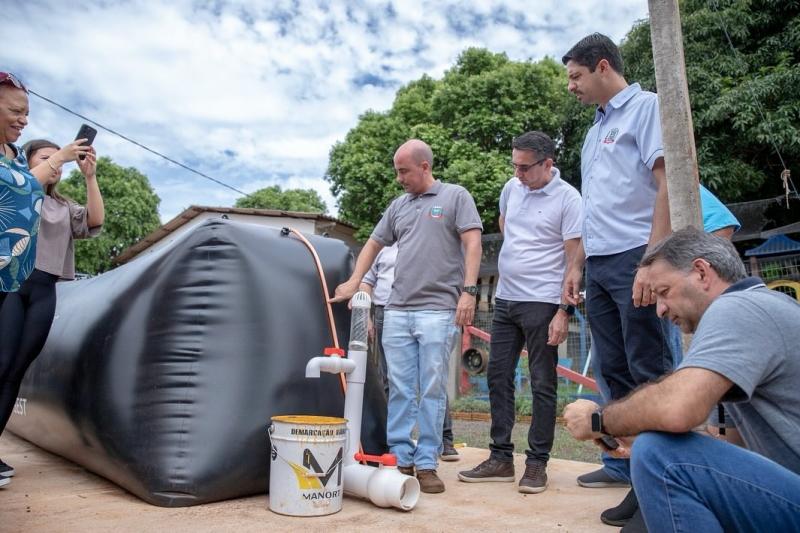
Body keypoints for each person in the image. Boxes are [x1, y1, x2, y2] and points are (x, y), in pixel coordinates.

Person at [563, 227, 800, 533]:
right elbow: (725, 445)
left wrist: (599, 420)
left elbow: (678, 410)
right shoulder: (759, 312)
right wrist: (632, 436)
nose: (660, 309)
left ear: (702, 273)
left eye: (664, 292)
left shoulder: (738, 307)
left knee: (659, 455)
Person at [560, 33, 675, 524]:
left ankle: (668, 484)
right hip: (602, 263)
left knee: (650, 368)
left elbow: (667, 180)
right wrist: (576, 265)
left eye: (575, 76)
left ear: (602, 66)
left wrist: (653, 259)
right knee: (616, 376)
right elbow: (595, 207)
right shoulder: (594, 130)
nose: (571, 86)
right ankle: (638, 481)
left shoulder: (646, 107)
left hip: (635, 256)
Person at [332, 139, 482, 493]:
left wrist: (469, 292)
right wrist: (355, 281)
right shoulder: (398, 206)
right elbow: (373, 242)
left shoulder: (455, 197)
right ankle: (401, 458)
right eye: (397, 171)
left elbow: (473, 243)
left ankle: (427, 463)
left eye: (404, 171)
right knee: (398, 388)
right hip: (397, 310)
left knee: (431, 388)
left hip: (438, 309)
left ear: (424, 166)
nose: (399, 178)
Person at [457, 131, 581, 493]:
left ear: (548, 164)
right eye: (514, 165)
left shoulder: (568, 199)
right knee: (497, 376)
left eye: (525, 167)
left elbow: (575, 259)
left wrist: (564, 312)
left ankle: (537, 463)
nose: (518, 173)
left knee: (542, 381)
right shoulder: (512, 189)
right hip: (507, 300)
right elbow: (505, 225)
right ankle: (500, 458)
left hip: (543, 302)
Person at [0, 137, 102, 485]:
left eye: (58, 159)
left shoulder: (62, 207)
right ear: (28, 163)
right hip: (13, 285)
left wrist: (89, 176)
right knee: (0, 365)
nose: (57, 165)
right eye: (46, 158)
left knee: (15, 372)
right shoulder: (16, 195)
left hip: (45, 290)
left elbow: (93, 220)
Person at [360, 243, 460, 462]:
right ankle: (393, 444)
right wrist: (366, 315)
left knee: (431, 381)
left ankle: (444, 439)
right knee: (393, 381)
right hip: (385, 313)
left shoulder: (425, 242)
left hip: (422, 311)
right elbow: (367, 281)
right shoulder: (381, 246)